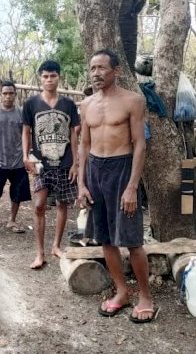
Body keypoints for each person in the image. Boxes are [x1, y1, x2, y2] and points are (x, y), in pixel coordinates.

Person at [77, 48, 156, 323]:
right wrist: (81, 184)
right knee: (106, 239)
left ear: (116, 71)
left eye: (101, 68)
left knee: (132, 240)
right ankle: (121, 292)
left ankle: (145, 297)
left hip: (122, 170)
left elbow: (140, 144)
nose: (96, 73)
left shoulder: (133, 101)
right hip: (95, 172)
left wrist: (133, 186)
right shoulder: (86, 105)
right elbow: (84, 145)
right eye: (92, 68)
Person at [22, 60, 80, 269]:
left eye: (53, 76)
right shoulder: (31, 104)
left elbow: (74, 134)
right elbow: (26, 131)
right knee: (39, 206)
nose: (49, 80)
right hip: (41, 163)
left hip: (64, 162)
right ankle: (40, 253)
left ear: (58, 77)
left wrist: (76, 162)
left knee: (63, 204)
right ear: (40, 78)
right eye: (45, 76)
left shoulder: (69, 105)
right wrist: (26, 156)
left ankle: (56, 245)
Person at [0, 80, 32, 236]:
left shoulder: (22, 113)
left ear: (15, 95)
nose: (8, 97)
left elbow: (27, 134)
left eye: (11, 94)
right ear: (0, 95)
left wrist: (26, 153)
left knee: (17, 193)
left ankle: (12, 220)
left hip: (18, 160)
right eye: (5, 93)